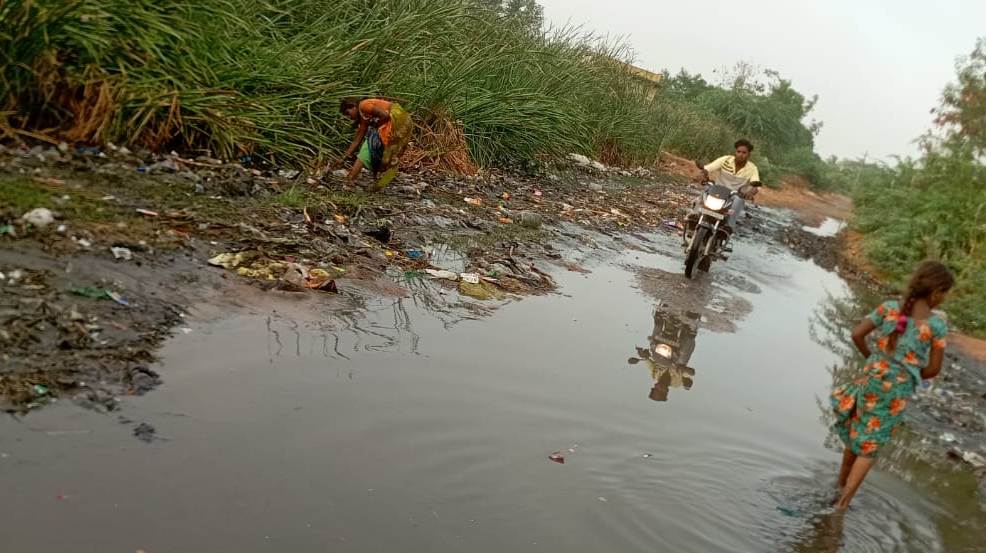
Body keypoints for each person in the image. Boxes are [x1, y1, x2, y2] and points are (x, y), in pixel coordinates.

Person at [829, 260, 954, 509]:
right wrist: (908, 373)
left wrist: (874, 360)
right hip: (896, 391)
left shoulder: (888, 308)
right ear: (936, 292)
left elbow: (857, 335)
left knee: (857, 433)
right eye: (944, 294)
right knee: (870, 446)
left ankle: (839, 486)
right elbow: (933, 369)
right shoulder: (937, 326)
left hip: (871, 379)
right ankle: (842, 505)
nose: (943, 300)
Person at [694, 139, 762, 248]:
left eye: (744, 153)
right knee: (702, 194)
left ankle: (728, 226)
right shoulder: (725, 160)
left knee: (739, 200)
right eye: (738, 152)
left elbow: (756, 185)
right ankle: (695, 215)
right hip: (717, 191)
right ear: (735, 152)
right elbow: (708, 168)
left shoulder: (752, 168)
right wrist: (702, 174)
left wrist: (750, 192)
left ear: (748, 154)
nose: (740, 155)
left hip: (734, 196)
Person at [337, 97, 412, 191]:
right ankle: (378, 184)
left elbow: (385, 115)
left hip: (397, 119)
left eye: (348, 113)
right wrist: (344, 157)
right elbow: (357, 140)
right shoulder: (364, 116)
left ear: (353, 107)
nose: (349, 117)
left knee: (370, 144)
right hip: (405, 121)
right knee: (391, 156)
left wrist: (374, 124)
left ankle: (351, 177)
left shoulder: (363, 105)